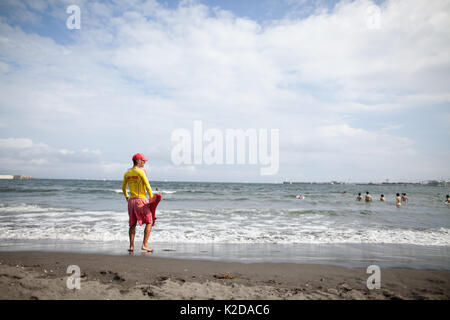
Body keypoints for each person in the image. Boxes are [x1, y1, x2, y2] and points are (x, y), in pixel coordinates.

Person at [122, 153, 162, 253]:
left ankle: (131, 246)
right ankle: (144, 245)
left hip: (131, 201)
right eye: (143, 161)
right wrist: (151, 199)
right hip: (141, 200)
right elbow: (148, 186)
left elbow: (123, 188)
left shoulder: (127, 173)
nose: (144, 163)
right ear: (138, 161)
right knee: (149, 221)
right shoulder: (141, 172)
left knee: (132, 224)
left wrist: (127, 197)